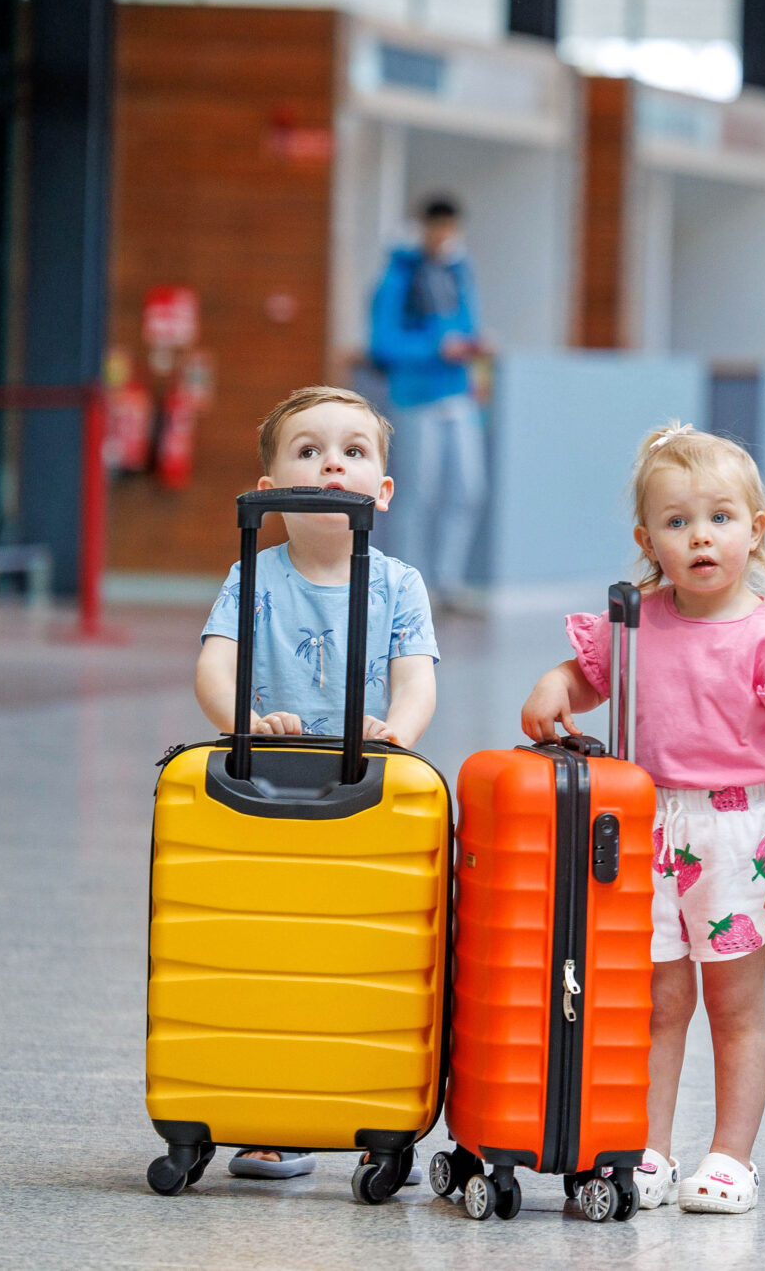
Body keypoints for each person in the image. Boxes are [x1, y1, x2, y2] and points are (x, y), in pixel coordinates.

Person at [521, 424, 765, 1217]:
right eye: (677, 521)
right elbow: (587, 678)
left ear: (755, 529)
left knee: (735, 1005)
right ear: (647, 539)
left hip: (738, 836)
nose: (701, 535)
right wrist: (555, 684)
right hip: (645, 831)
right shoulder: (634, 622)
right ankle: (647, 1145)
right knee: (655, 1002)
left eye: (721, 517)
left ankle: (732, 1155)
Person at [194, 385, 440, 1182]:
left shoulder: (399, 585)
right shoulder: (254, 575)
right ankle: (274, 1113)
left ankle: (363, 1100)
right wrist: (243, 719)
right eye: (308, 448)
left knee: (357, 951)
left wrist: (399, 730)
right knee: (272, 947)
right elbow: (215, 662)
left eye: (353, 450)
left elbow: (415, 680)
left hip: (363, 785)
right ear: (269, 495)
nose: (332, 460)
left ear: (384, 491)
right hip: (268, 781)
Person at [369, 194, 487, 607]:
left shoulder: (458, 273)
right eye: (438, 228)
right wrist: (437, 348)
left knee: (468, 489)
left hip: (458, 395)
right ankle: (408, 580)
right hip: (417, 396)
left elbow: (468, 325)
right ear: (424, 228)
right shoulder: (399, 277)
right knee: (419, 491)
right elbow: (383, 343)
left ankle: (448, 581)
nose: (444, 237)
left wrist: (473, 355)